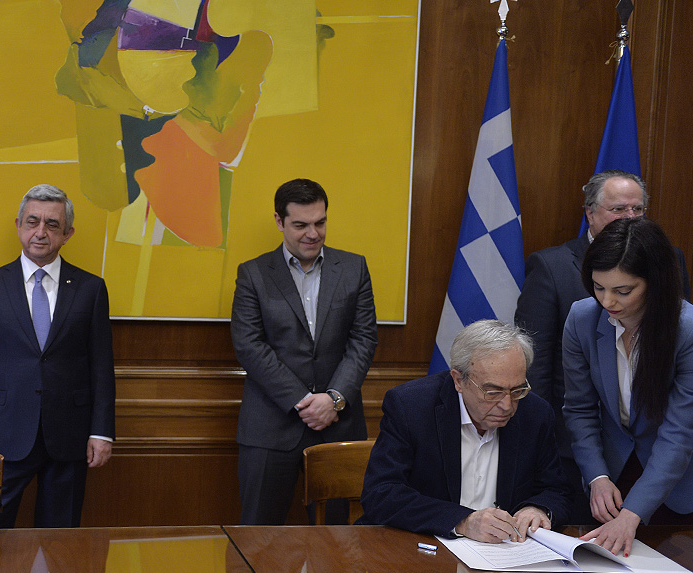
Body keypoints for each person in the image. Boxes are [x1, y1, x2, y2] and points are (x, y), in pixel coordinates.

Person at [514, 170, 690, 523]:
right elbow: (536, 362)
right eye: (618, 209)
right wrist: (546, 440)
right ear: (590, 213)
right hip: (579, 445)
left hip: (656, 447)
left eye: (637, 209)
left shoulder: (668, 261)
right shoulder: (552, 266)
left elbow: (674, 349)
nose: (629, 217)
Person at [0, 184, 115, 528]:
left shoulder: (91, 289)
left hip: (70, 435)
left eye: (52, 224)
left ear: (67, 234)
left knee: (61, 539)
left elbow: (101, 367)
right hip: (4, 433)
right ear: (19, 226)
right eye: (32, 222)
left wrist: (102, 432)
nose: (40, 232)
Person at [230, 178, 378, 525]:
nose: (313, 234)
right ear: (279, 222)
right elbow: (249, 345)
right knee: (260, 539)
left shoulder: (353, 269)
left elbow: (364, 339)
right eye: (301, 225)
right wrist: (303, 400)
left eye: (320, 223)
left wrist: (334, 399)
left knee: (340, 544)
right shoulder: (253, 274)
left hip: (338, 427)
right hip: (270, 427)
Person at [564, 217, 693, 556]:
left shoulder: (692, 330)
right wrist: (597, 477)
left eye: (623, 291)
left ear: (654, 283)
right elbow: (579, 409)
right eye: (598, 287)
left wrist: (633, 513)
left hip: (681, 483)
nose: (607, 301)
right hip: (615, 474)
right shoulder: (581, 319)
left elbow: (679, 433)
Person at [358, 320, 571, 541]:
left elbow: (556, 490)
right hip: (421, 546)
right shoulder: (411, 407)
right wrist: (462, 521)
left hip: (504, 552)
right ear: (459, 380)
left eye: (517, 390)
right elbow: (381, 493)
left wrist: (538, 508)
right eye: (493, 392)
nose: (507, 405)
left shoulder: (535, 414)